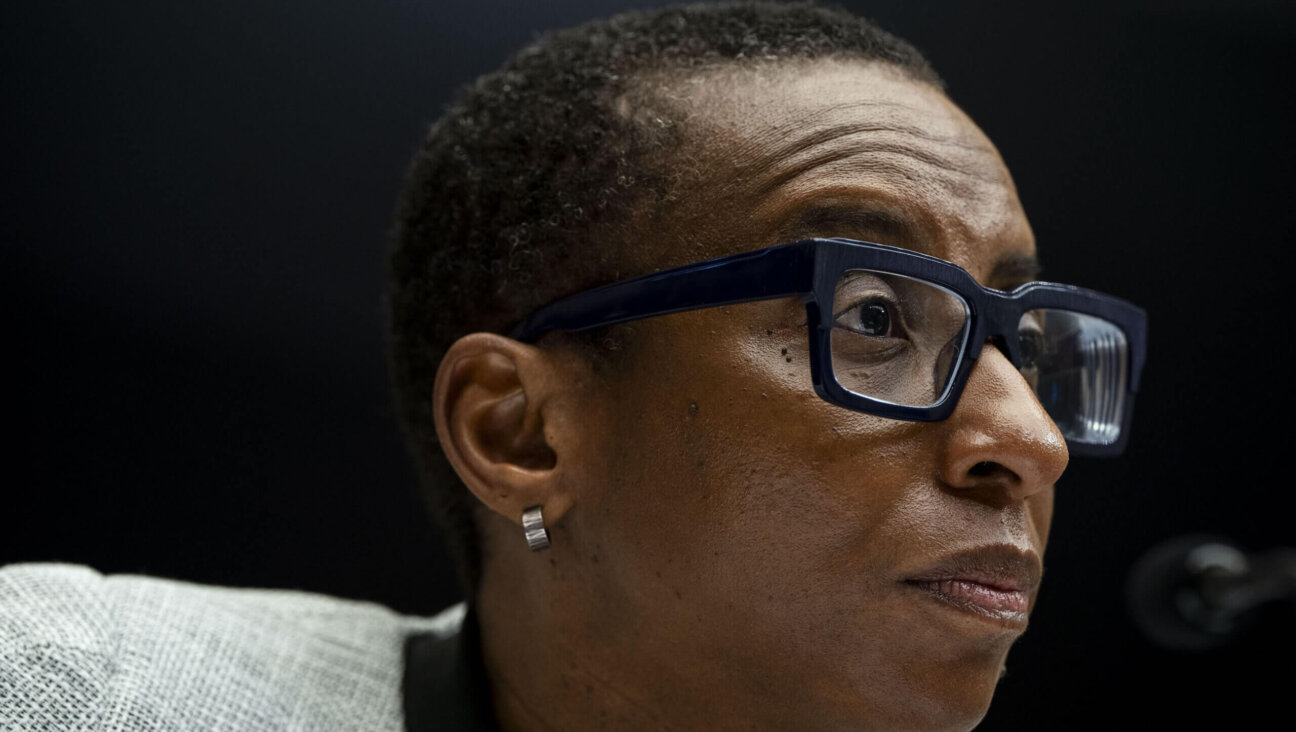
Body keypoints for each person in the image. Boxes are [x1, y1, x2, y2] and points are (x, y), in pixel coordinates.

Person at [1, 2, 1146, 730]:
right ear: (522, 433)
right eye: (876, 318)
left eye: (1023, 346)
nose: (1031, 442)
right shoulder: (78, 689)